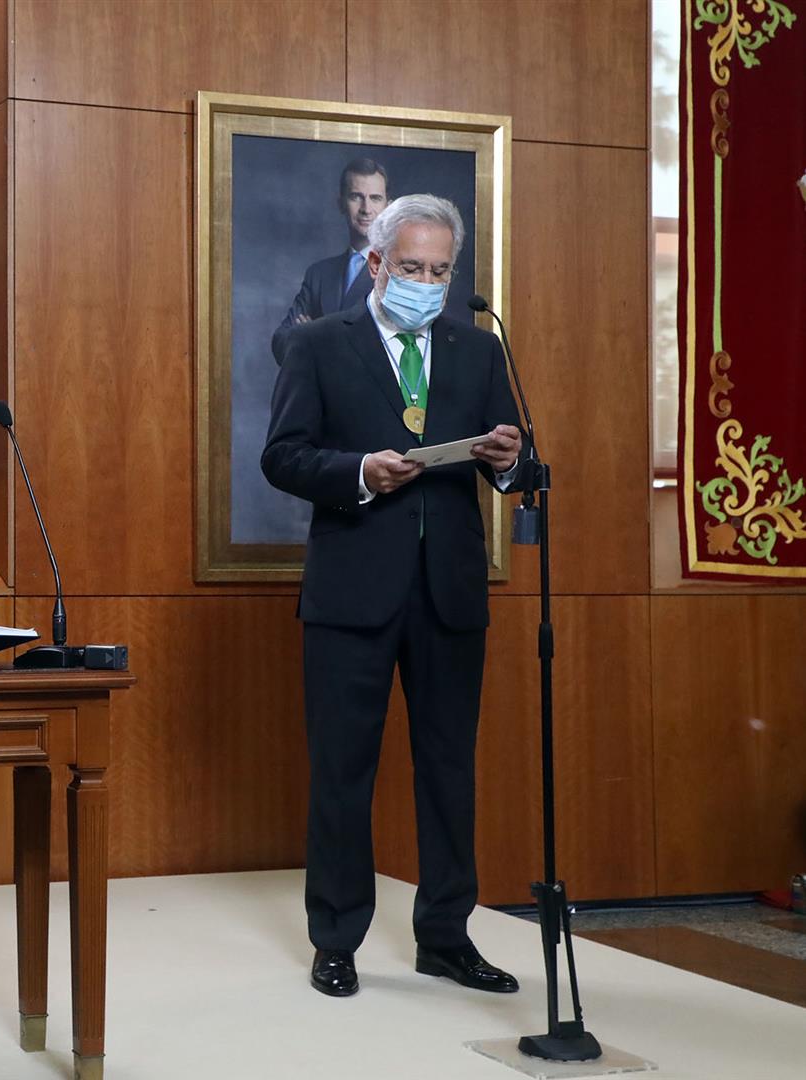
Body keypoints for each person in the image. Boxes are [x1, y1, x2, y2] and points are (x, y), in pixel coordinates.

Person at [260, 194, 526, 999]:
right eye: (411, 267)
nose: (426, 281)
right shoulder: (316, 344)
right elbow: (283, 456)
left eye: (440, 270)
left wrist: (509, 460)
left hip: (448, 591)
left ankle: (445, 935)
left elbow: (514, 459)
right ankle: (335, 938)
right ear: (375, 263)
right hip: (351, 590)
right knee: (344, 770)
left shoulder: (476, 350)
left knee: (448, 770)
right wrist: (359, 474)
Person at [271, 158, 390, 365]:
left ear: (388, 206)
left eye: (375, 198)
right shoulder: (319, 274)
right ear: (341, 203)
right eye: (356, 197)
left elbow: (385, 353)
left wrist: (313, 337)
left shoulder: (397, 273)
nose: (366, 208)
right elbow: (280, 340)